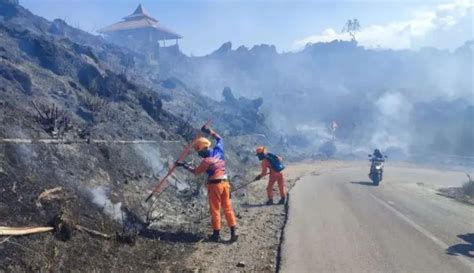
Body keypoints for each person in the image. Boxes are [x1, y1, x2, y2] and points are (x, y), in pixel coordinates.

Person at [175, 125, 238, 243]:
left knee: (215, 210)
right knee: (228, 208)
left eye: (199, 151)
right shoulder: (218, 151)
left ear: (203, 149)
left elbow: (196, 172)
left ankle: (216, 234)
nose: (199, 154)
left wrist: (183, 165)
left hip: (215, 186)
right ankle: (234, 232)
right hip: (226, 184)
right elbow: (220, 139)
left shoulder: (206, 161)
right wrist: (210, 131)